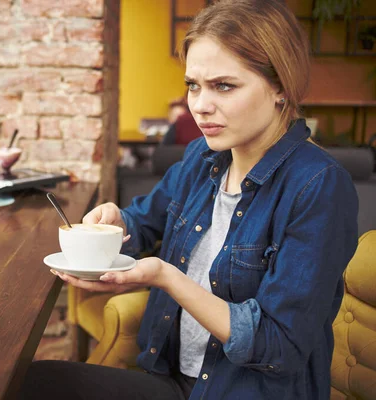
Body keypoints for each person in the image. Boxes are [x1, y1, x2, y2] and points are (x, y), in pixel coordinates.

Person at [19, 0, 359, 399]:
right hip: (174, 382)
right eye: (193, 85)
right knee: (28, 381)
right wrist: (115, 223)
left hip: (244, 392)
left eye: (223, 86)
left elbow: (278, 343)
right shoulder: (203, 157)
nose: (199, 105)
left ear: (280, 87)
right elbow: (144, 221)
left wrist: (166, 277)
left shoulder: (319, 187)